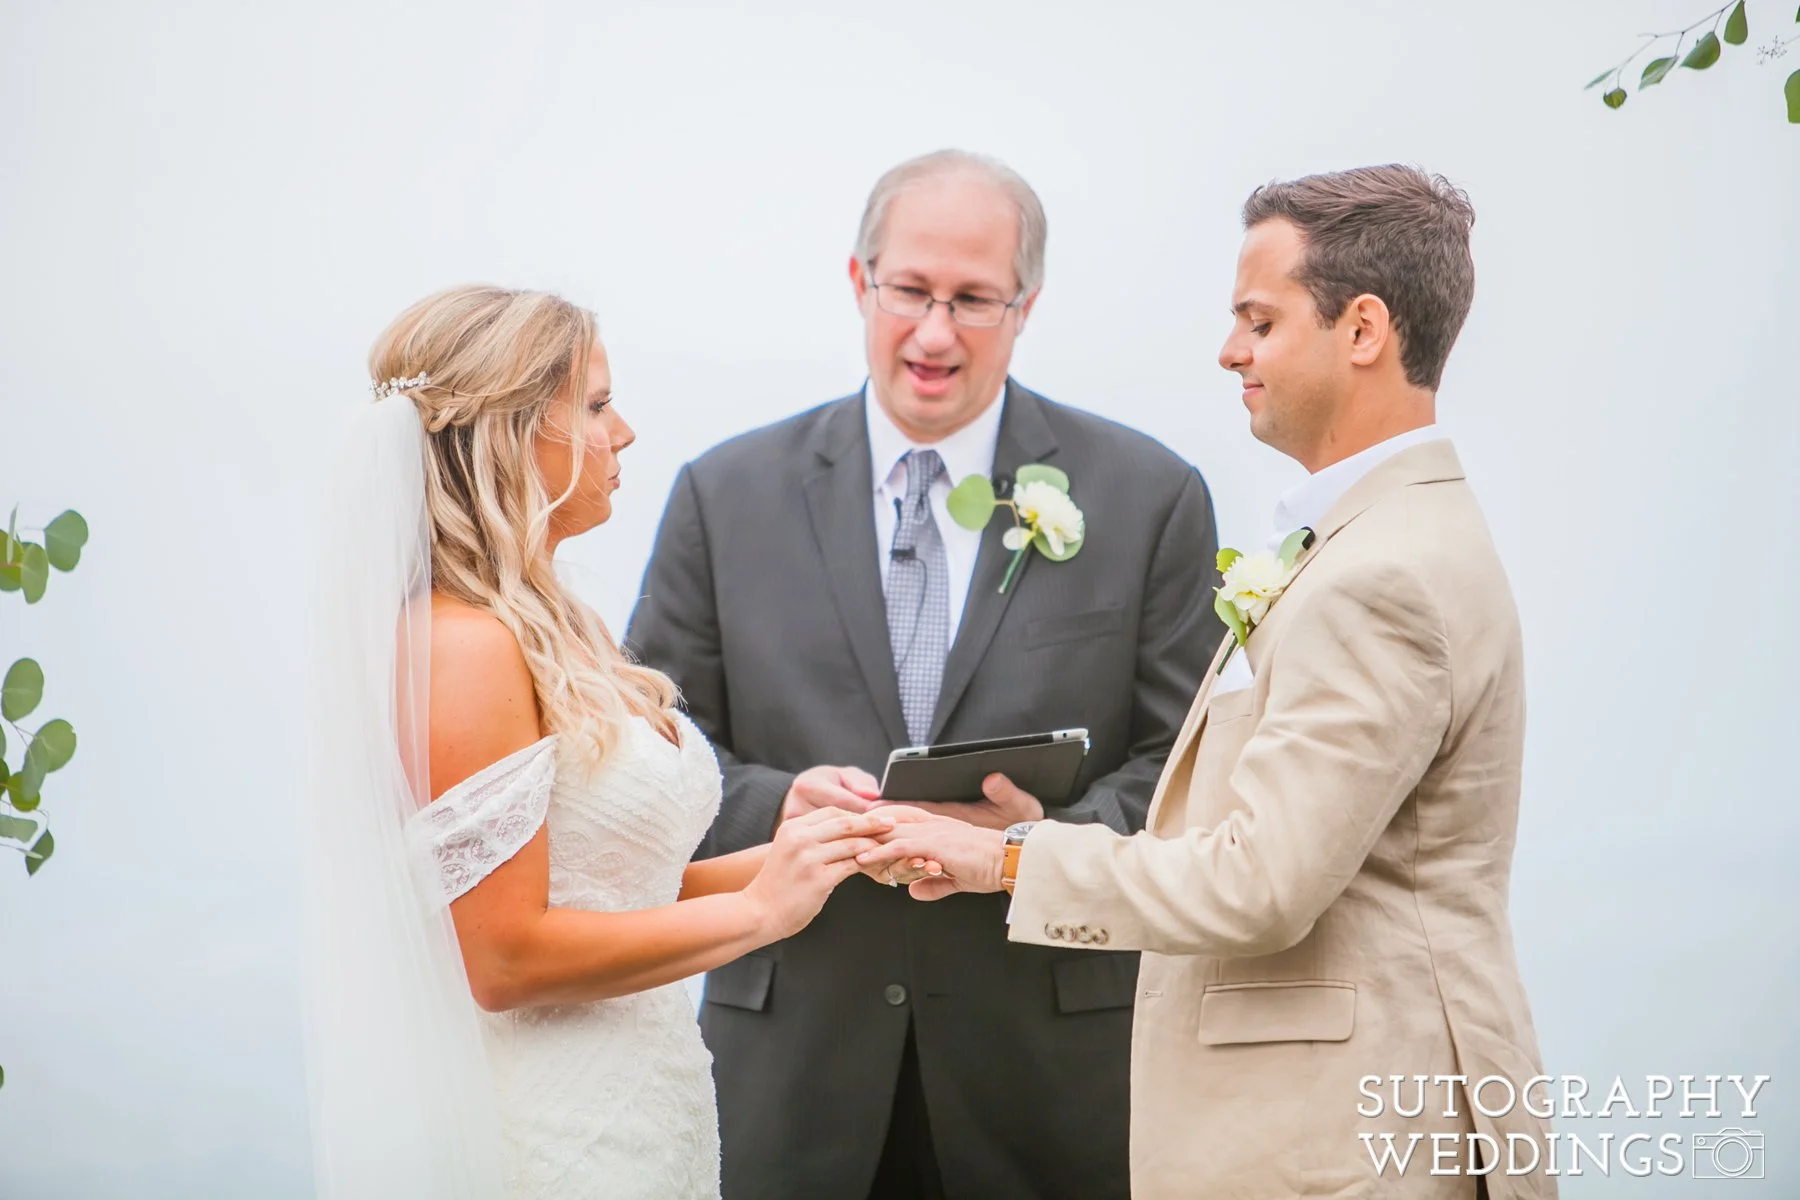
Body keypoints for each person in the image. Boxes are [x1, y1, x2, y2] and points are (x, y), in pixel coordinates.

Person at [860, 165, 1556, 1199]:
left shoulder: (1384, 574)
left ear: (1363, 330)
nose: (1230, 350)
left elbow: (1258, 884)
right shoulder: (1376, 538)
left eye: (1259, 321)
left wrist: (1004, 860)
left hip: (1342, 1145)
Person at [627, 150, 1221, 1199]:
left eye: (974, 300)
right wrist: (784, 806)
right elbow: (651, 756)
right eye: (909, 290)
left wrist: (1031, 845)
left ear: (1026, 306)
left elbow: (1187, 768)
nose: (936, 333)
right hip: (795, 1066)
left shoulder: (1148, 495)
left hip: (1049, 1074)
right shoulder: (725, 496)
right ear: (860, 282)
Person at [299, 285, 899, 1200]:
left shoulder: (553, 624)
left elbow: (618, 890)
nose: (623, 433)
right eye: (596, 405)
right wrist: (759, 913)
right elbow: (504, 959)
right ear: (508, 432)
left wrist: (820, 853)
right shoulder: (462, 646)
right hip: (556, 1134)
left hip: (649, 1111)